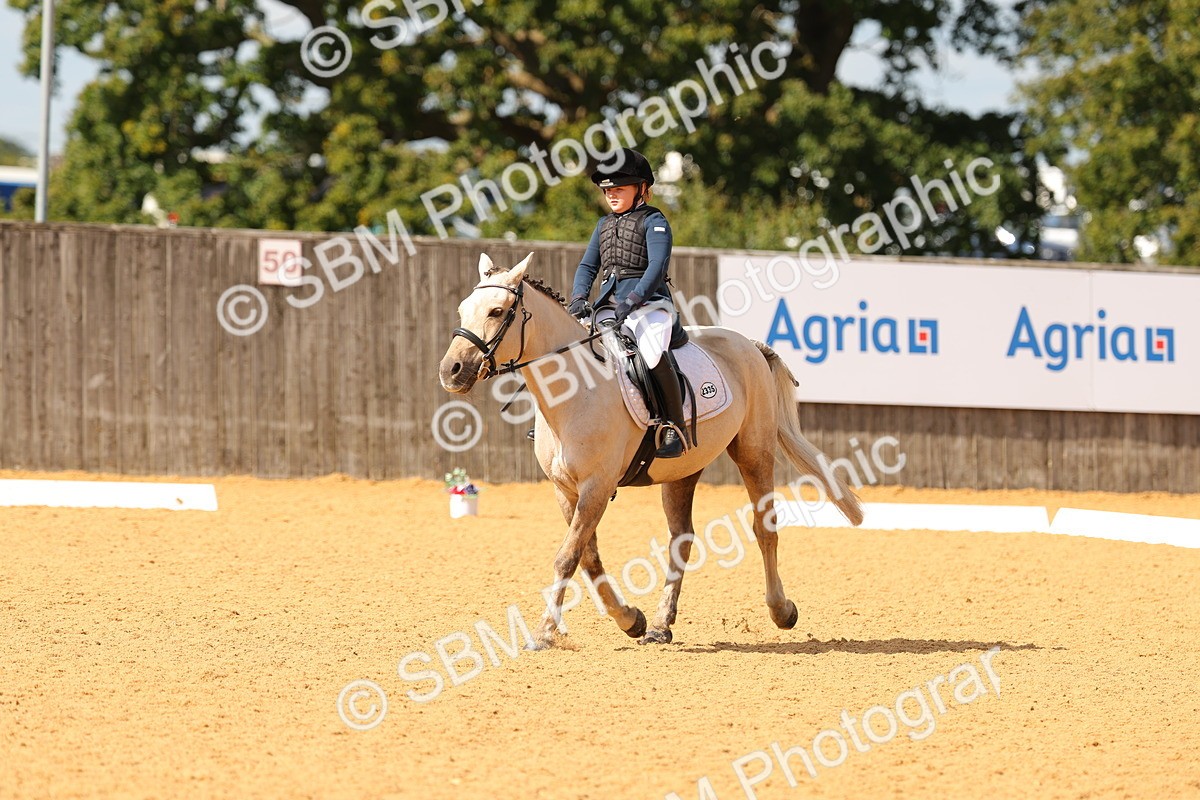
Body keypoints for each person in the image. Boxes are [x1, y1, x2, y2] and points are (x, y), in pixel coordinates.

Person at [568, 148, 690, 458]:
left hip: (650, 306)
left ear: (642, 189)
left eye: (619, 188)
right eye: (607, 189)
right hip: (608, 306)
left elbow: (658, 266)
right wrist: (579, 298)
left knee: (650, 354)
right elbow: (587, 266)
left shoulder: (655, 220)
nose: (611, 195)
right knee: (573, 350)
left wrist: (634, 300)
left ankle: (674, 428)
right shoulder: (604, 225)